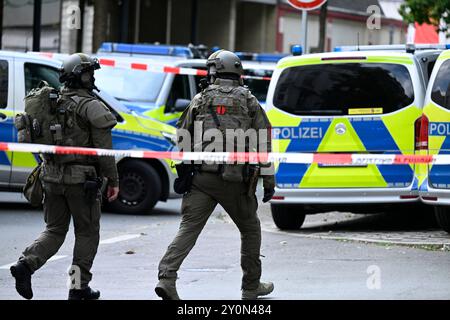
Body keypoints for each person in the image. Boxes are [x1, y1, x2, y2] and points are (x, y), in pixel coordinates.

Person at [155, 50, 275, 300]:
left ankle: (167, 278)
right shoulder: (249, 100)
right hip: (235, 180)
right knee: (250, 229)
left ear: (213, 73)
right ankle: (251, 286)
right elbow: (264, 139)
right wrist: (269, 180)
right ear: (238, 73)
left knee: (188, 228)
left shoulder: (200, 99)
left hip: (201, 178)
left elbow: (182, 134)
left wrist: (186, 167)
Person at [10, 53, 120, 300]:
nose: (92, 77)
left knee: (55, 229)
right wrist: (113, 181)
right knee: (86, 233)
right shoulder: (91, 106)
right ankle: (78, 288)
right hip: (82, 182)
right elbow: (104, 152)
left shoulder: (51, 103)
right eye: (90, 73)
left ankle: (25, 265)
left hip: (50, 177)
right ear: (81, 76)